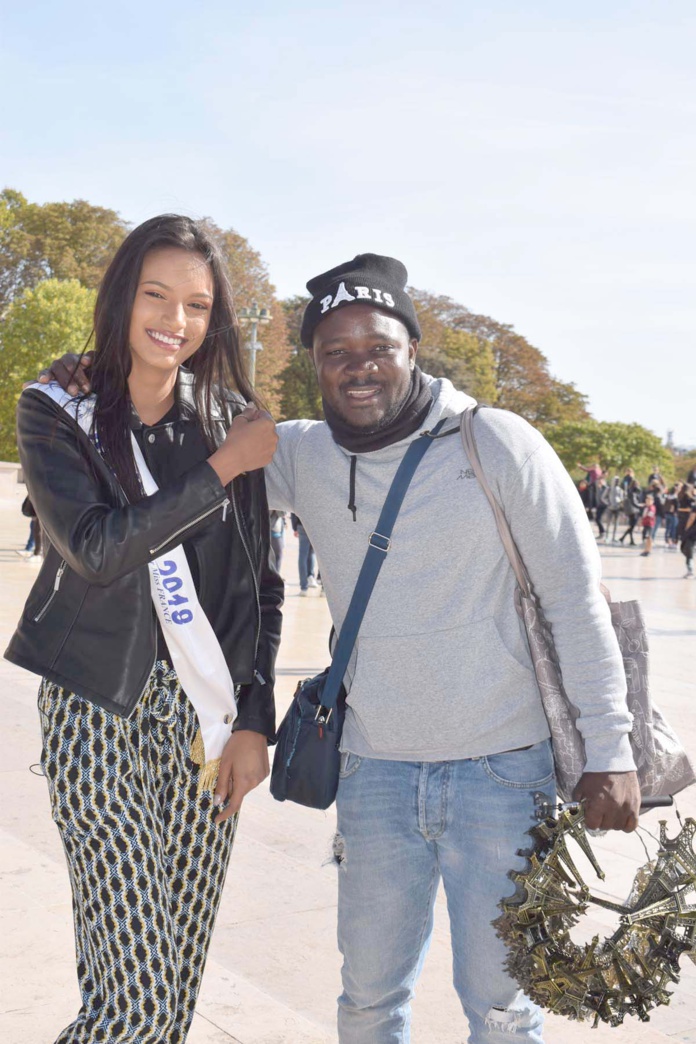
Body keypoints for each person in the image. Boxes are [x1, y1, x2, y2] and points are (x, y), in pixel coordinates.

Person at [42, 252, 641, 1044]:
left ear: (413, 349)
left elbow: (573, 599)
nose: (359, 368)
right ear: (315, 364)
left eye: (378, 348)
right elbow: (180, 453)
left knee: (502, 1007)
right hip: (373, 773)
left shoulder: (497, 443)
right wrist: (100, 373)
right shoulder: (300, 452)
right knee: (366, 1003)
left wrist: (612, 747)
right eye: (336, 352)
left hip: (501, 772)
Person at [7, 215, 282, 1044]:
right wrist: (224, 468)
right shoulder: (57, 407)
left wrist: (256, 719)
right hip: (97, 709)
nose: (176, 320)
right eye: (156, 295)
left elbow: (260, 584)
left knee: (172, 1004)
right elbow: (95, 549)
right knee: (136, 1009)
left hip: (205, 724)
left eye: (197, 305)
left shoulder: (228, 416)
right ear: (123, 296)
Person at [291, 512, 318, 594]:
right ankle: (310, 577)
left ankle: (304, 587)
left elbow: (294, 511)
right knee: (312, 552)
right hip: (315, 525)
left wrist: (294, 527)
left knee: (303, 555)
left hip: (301, 524)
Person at [619, 478, 642, 546]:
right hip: (633, 511)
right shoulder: (633, 492)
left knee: (631, 526)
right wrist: (640, 506)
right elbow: (634, 502)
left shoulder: (631, 491)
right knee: (632, 526)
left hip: (631, 510)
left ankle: (624, 539)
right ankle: (625, 539)